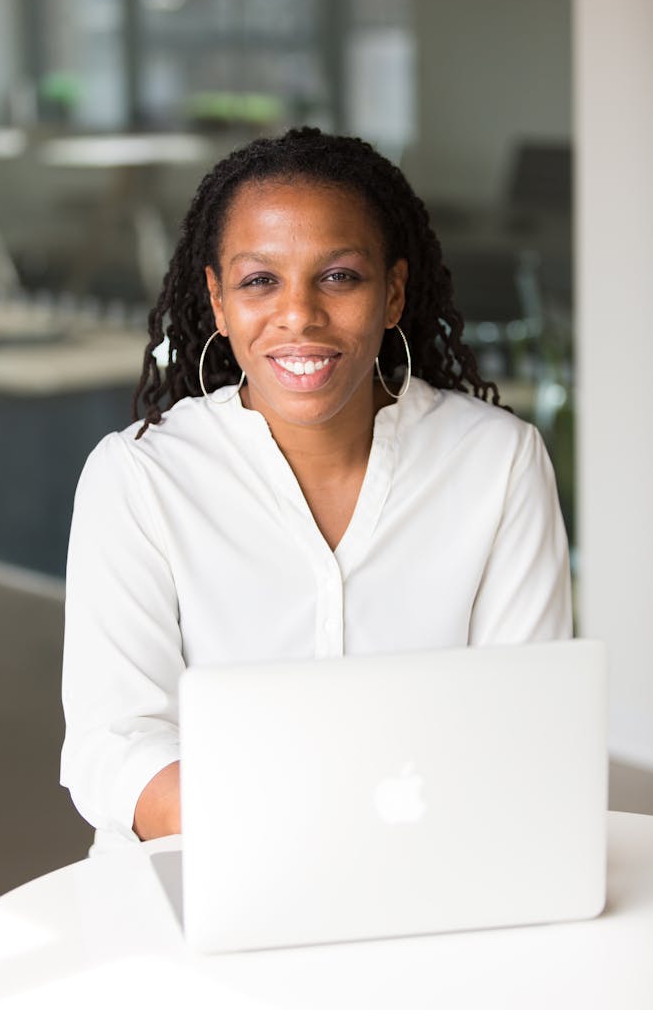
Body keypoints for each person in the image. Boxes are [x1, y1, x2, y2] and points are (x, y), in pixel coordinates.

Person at [61, 127, 572, 851]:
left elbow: (526, 722)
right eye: (259, 280)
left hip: (436, 872)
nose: (298, 315)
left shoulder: (495, 462)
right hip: (204, 877)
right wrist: (283, 835)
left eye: (338, 277)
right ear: (216, 300)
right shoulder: (140, 478)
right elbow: (113, 745)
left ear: (392, 293)